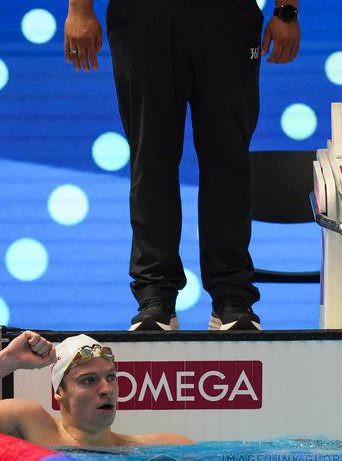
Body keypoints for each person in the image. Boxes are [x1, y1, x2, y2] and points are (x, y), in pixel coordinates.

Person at [64, 0, 301, 332]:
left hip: (227, 17)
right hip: (142, 16)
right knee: (151, 160)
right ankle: (155, 297)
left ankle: (232, 296)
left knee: (228, 160)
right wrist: (80, 9)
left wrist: (286, 11)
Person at [0, 332, 192, 450]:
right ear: (59, 393)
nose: (106, 389)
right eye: (88, 380)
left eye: (110, 377)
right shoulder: (32, 423)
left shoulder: (158, 445)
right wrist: (5, 362)